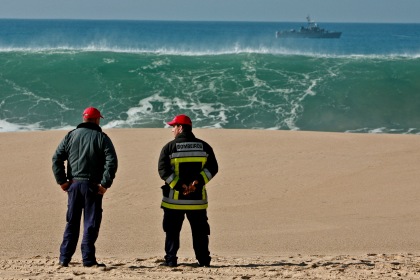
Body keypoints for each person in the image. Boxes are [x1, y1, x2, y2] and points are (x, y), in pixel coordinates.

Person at [52, 107, 118, 268]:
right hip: (92, 187)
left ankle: (64, 259)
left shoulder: (70, 135)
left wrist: (62, 181)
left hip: (73, 185)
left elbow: (56, 159)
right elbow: (112, 162)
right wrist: (105, 184)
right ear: (97, 120)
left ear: (83, 118)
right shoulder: (102, 138)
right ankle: (88, 260)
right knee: (91, 223)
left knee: (72, 222)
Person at [158, 114, 218, 267]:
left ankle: (171, 260)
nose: (172, 130)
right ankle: (204, 261)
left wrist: (179, 185)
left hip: (174, 201)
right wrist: (198, 183)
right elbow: (213, 168)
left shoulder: (169, 148)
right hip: (197, 201)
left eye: (173, 127)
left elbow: (163, 170)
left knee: (172, 232)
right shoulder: (204, 146)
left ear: (181, 128)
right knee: (200, 232)